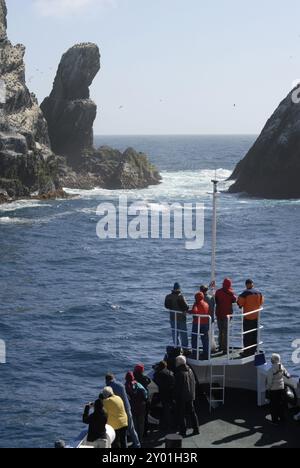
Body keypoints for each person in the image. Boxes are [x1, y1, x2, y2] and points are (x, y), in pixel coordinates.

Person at [106, 373, 141, 449]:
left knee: (122, 431)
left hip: (118, 412)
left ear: (107, 380)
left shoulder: (108, 388)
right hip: (127, 408)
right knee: (131, 429)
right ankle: (137, 444)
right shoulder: (121, 385)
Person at [174, 355, 199, 438]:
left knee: (181, 414)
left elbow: (177, 387)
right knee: (192, 412)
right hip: (190, 395)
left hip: (182, 397)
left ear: (178, 363)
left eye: (176, 362)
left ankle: (183, 431)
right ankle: (196, 429)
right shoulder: (190, 369)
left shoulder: (179, 373)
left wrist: (175, 398)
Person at [238, 279, 264, 357]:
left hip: (248, 317)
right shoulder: (259, 293)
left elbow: (239, 303)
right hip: (256, 317)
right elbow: (261, 303)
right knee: (254, 334)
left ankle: (246, 352)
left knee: (247, 335)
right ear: (253, 284)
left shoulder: (245, 293)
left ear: (246, 285)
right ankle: (253, 350)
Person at [267, 354, 290, 425]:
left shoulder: (271, 370)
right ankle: (282, 418)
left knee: (274, 405)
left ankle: (275, 421)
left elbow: (270, 381)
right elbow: (287, 374)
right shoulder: (281, 367)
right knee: (281, 404)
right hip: (281, 388)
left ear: (272, 360)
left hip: (274, 390)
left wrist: (268, 388)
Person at [125, 372, 148, 444]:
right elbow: (145, 395)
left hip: (132, 408)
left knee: (134, 425)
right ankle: (141, 440)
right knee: (141, 424)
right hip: (141, 407)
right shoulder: (138, 384)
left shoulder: (126, 386)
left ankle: (136, 441)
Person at [165, 283, 189, 350]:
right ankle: (185, 348)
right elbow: (186, 307)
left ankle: (176, 347)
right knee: (183, 334)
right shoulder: (181, 297)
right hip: (181, 318)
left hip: (172, 317)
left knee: (174, 333)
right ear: (179, 289)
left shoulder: (168, 296)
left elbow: (166, 306)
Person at [215, 279, 237, 354]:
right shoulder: (231, 293)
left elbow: (216, 301)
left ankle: (220, 346)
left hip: (219, 314)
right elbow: (234, 300)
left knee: (220, 331)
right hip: (227, 315)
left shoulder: (218, 292)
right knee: (226, 332)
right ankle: (225, 349)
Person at [153, 361, 175, 432]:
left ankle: (167, 426)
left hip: (164, 394)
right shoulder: (170, 372)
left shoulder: (159, 374)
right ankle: (171, 424)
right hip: (171, 394)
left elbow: (155, 379)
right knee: (168, 409)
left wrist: (156, 371)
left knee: (166, 411)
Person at [190, 292, 210, 360]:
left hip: (197, 323)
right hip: (205, 323)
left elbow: (194, 311)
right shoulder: (206, 304)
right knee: (205, 340)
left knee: (194, 339)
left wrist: (188, 311)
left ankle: (195, 354)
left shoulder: (197, 304)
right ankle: (206, 354)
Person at [133, 364, 151, 437]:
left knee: (136, 418)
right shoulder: (145, 378)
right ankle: (145, 432)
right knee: (145, 417)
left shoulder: (134, 378)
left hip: (136, 400)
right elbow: (149, 381)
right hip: (145, 399)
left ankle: (137, 433)